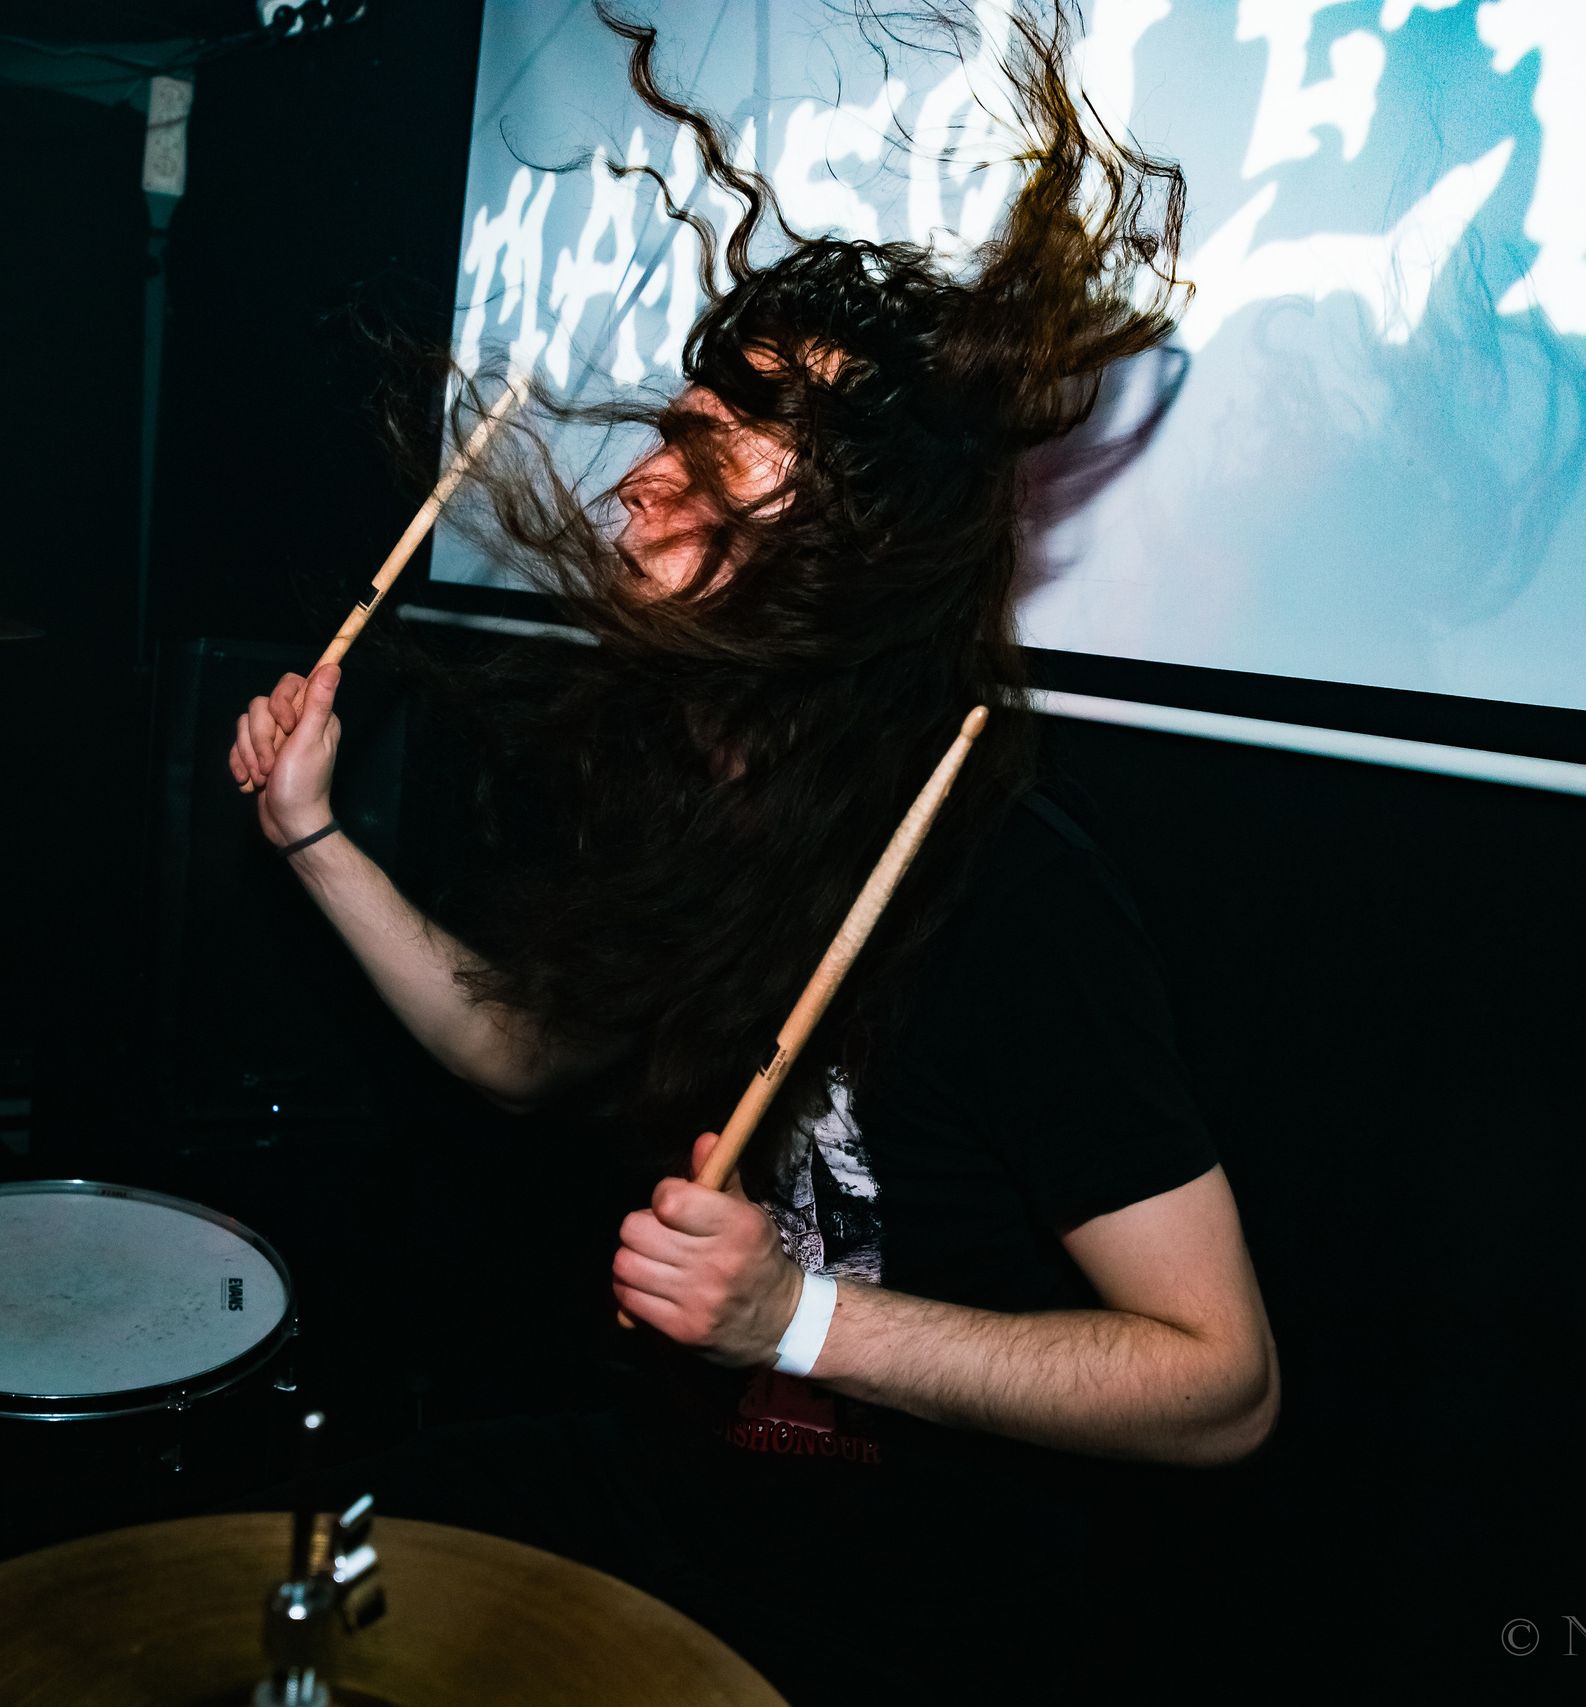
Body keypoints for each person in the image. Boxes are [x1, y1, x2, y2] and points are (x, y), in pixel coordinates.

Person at [229, 9, 1276, 1697]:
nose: (637, 482)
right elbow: (522, 1051)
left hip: (900, 1609)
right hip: (669, 1499)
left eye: (708, 449)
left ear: (850, 544)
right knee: (329, 1562)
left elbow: (1223, 1383)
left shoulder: (1006, 891)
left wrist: (799, 1323)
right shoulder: (690, 794)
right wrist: (318, 837)